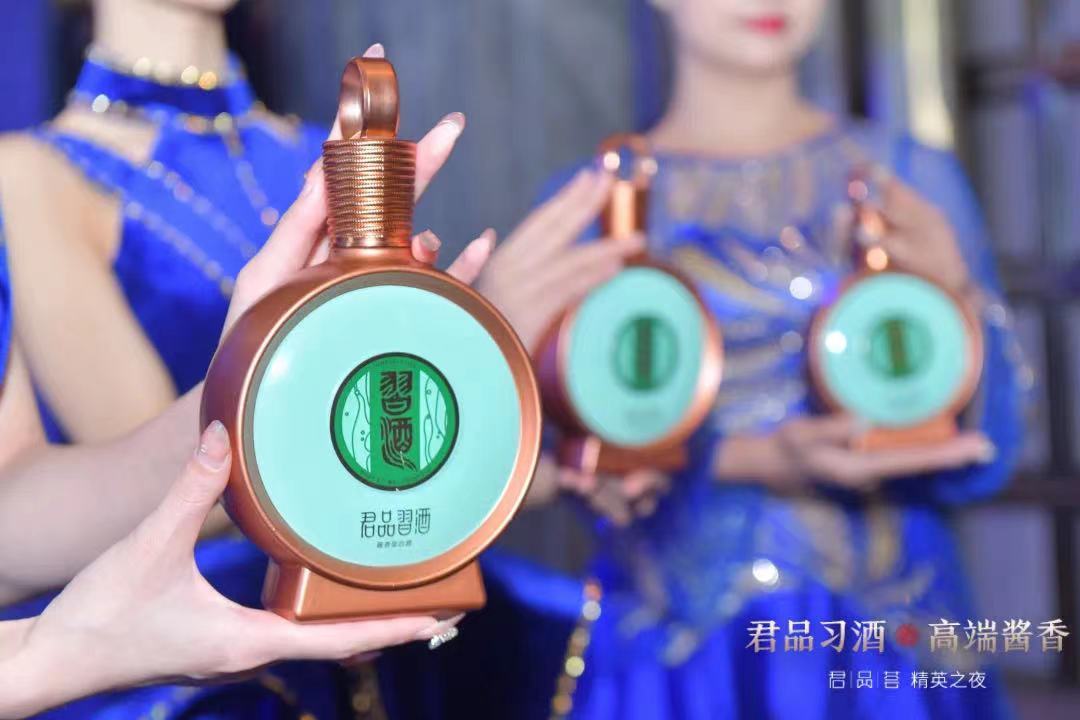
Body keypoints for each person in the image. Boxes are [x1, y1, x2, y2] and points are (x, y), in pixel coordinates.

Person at [425, 0, 1028, 718]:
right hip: (678, 648)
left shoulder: (907, 179)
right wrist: (750, 459)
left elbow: (992, 453)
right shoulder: (592, 205)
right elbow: (562, 471)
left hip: (887, 640)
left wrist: (958, 300)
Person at [0, 8, 492, 713]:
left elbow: (406, 447)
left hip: (378, 638)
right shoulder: (31, 174)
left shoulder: (324, 154)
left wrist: (519, 393)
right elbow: (19, 522)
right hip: (186, 670)